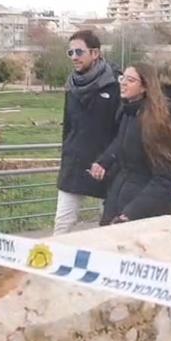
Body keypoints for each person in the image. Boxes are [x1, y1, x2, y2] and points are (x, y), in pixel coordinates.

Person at [89, 63, 171, 225]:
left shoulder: (156, 123)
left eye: (130, 80)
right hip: (118, 199)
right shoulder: (127, 112)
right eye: (122, 78)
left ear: (144, 87)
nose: (123, 83)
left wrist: (131, 213)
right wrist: (104, 161)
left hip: (144, 213)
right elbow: (121, 142)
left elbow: (164, 181)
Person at [53, 30, 120, 235]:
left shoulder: (116, 84)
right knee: (62, 224)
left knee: (110, 227)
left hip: (106, 167)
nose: (74, 57)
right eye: (70, 52)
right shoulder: (71, 86)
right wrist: (67, 153)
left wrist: (108, 160)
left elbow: (123, 129)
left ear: (95, 53)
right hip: (74, 165)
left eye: (79, 52)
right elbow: (68, 126)